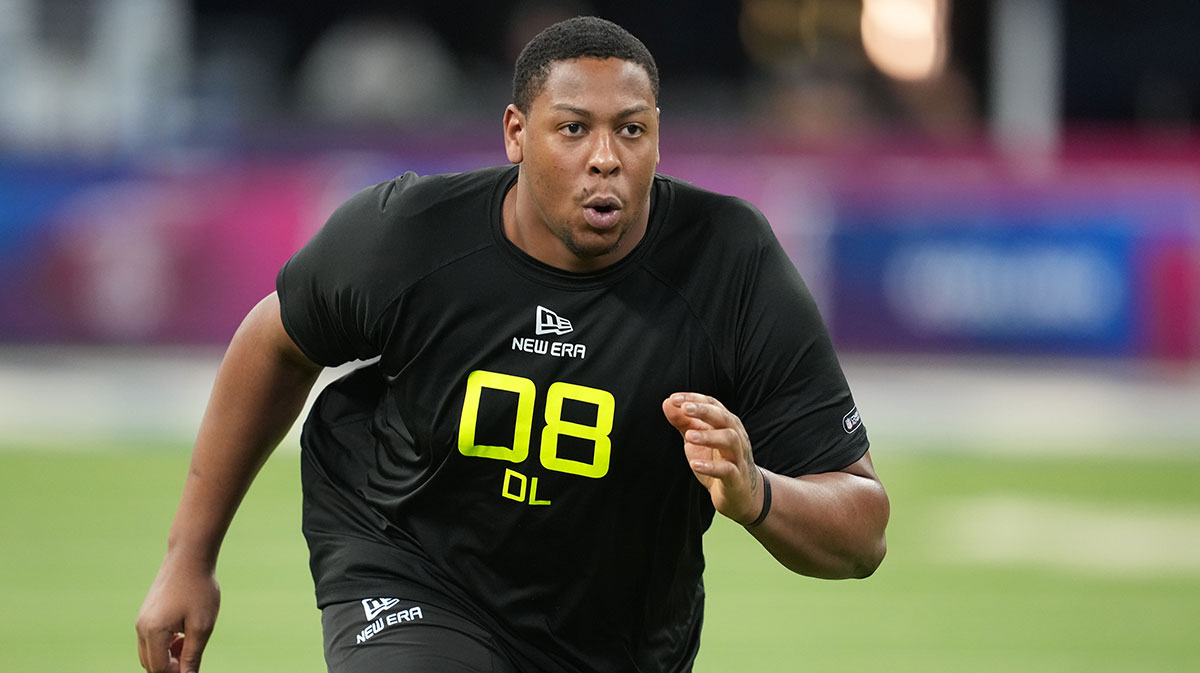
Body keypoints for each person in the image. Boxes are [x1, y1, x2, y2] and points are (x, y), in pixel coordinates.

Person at [135, 15, 889, 673]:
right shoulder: (408, 235)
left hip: (616, 639)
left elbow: (863, 531)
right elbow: (276, 340)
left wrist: (759, 493)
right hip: (406, 562)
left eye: (631, 129)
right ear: (515, 134)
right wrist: (188, 559)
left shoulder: (728, 261)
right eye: (573, 128)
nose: (605, 157)